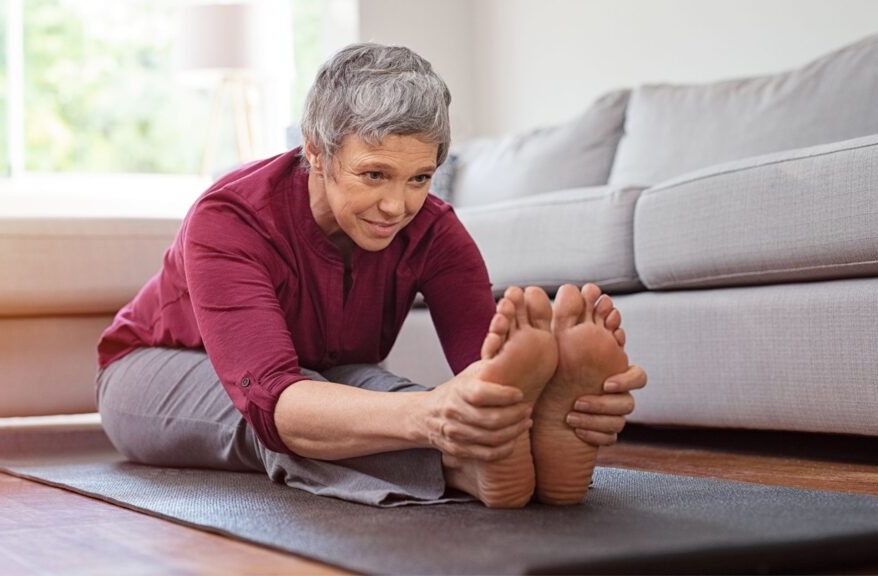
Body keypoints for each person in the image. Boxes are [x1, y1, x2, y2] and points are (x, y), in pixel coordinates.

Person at [95, 43, 647, 509]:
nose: (396, 205)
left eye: (419, 177)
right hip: (160, 369)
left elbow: (487, 373)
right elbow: (273, 399)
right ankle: (459, 468)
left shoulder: (435, 230)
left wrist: (555, 404)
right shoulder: (229, 219)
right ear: (316, 152)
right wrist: (433, 416)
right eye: (374, 174)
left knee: (385, 394)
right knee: (296, 420)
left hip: (323, 373)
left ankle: (493, 454)